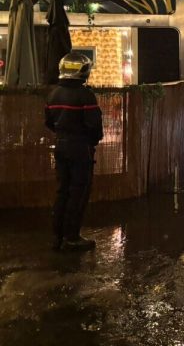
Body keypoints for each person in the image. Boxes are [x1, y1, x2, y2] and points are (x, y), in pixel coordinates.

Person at [45, 53, 103, 251]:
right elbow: (94, 125)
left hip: (60, 146)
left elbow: (49, 122)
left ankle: (57, 237)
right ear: (84, 72)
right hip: (80, 148)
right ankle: (72, 237)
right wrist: (91, 141)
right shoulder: (85, 95)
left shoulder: (53, 94)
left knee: (62, 191)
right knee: (78, 192)